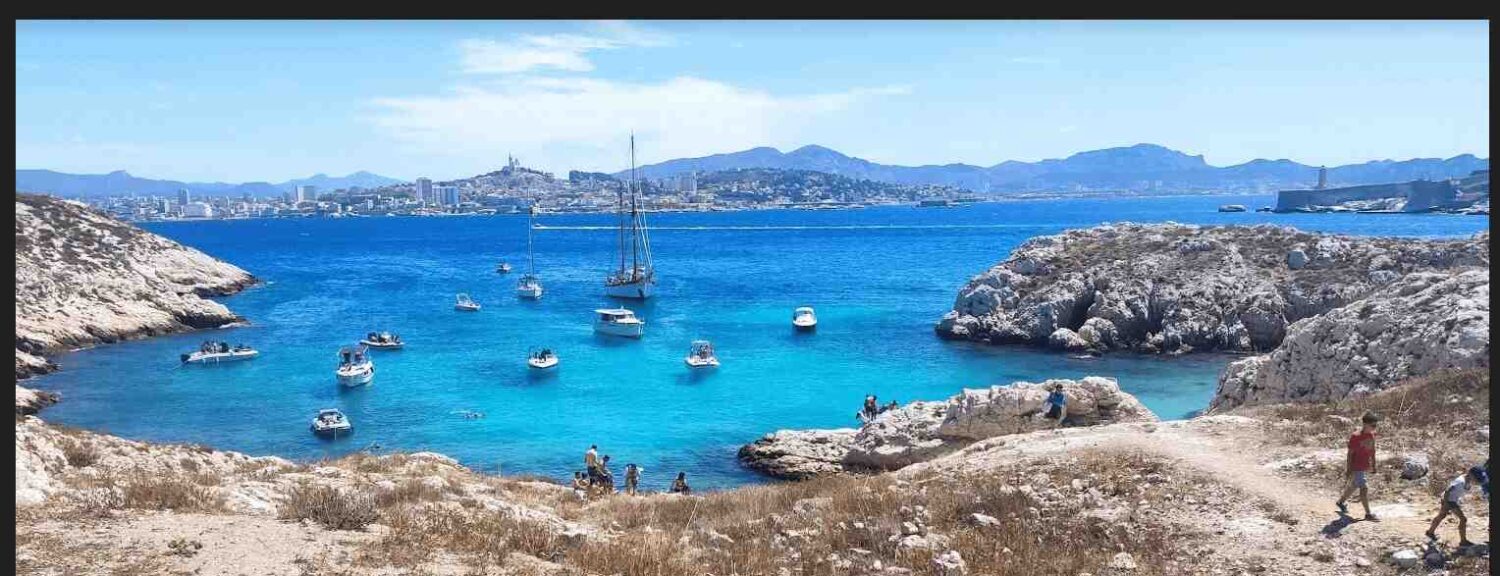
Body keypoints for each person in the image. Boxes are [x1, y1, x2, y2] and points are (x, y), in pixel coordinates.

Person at [1336, 411, 1380, 521]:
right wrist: (1348, 468)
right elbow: (1350, 454)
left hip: (1364, 465)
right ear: (1365, 424)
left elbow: (1372, 450)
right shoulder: (1356, 436)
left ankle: (1340, 502)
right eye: (1373, 425)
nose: (1375, 427)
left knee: (1354, 485)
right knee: (1364, 488)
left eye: (1375, 425)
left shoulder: (1372, 434)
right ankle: (1368, 514)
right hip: (1356, 466)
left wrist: (1374, 465)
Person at [1426, 466, 1485, 546]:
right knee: (1463, 519)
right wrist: (1446, 504)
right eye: (1476, 478)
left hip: (1452, 500)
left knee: (1441, 515)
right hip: (1449, 500)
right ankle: (1463, 541)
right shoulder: (1460, 482)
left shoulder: (1467, 480)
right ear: (1471, 475)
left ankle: (1430, 532)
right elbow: (1448, 491)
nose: (1477, 481)